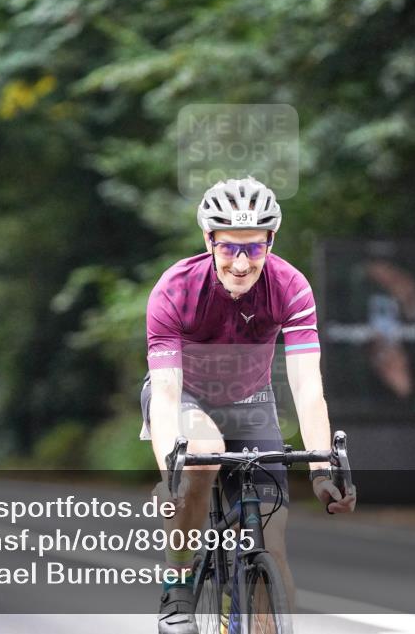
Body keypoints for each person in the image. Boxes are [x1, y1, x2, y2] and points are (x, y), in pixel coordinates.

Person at [141, 177, 357, 634]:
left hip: (250, 404)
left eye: (254, 249)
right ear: (209, 241)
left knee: (272, 548)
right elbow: (163, 394)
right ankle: (178, 584)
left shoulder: (289, 286)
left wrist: (322, 472)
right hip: (186, 396)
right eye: (228, 249)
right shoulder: (175, 290)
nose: (241, 263)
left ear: (270, 243)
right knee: (201, 455)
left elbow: (306, 386)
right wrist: (172, 472)